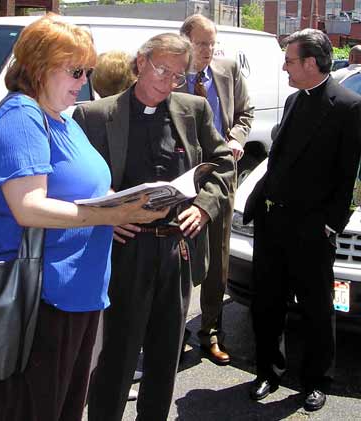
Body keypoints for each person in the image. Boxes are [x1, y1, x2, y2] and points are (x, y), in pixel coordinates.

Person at [0, 14, 167, 421]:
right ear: (39, 66)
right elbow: (28, 207)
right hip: (40, 299)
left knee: (64, 409)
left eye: (88, 71)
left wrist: (127, 201)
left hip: (75, 291)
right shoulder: (22, 116)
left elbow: (86, 189)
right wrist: (112, 212)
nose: (84, 81)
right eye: (75, 70)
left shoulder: (61, 116)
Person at [73, 32, 235, 421]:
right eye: (162, 69)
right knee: (117, 356)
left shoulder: (193, 110)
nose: (168, 81)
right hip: (124, 249)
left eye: (178, 75)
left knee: (165, 357)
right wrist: (104, 215)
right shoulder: (95, 116)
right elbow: (74, 178)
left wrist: (205, 207)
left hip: (176, 248)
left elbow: (223, 166)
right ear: (141, 62)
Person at [243, 28, 361, 412]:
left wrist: (330, 225)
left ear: (311, 63)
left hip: (311, 230)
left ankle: (315, 380)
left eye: (290, 60)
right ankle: (267, 372)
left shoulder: (347, 106)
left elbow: (347, 176)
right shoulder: (293, 99)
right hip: (272, 223)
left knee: (316, 308)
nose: (284, 67)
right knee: (267, 304)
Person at [178, 13, 254, 365]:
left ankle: (211, 330)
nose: (208, 50)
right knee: (177, 255)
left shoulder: (227, 71)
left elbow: (245, 114)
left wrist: (236, 140)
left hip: (221, 174)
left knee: (217, 256)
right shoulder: (172, 77)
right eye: (201, 43)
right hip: (180, 178)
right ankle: (173, 332)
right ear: (185, 41)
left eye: (212, 43)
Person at [89, 48, 140, 403]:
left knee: (109, 307)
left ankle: (106, 370)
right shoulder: (97, 117)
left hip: (110, 227)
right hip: (119, 227)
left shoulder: (88, 115)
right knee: (118, 308)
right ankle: (114, 371)